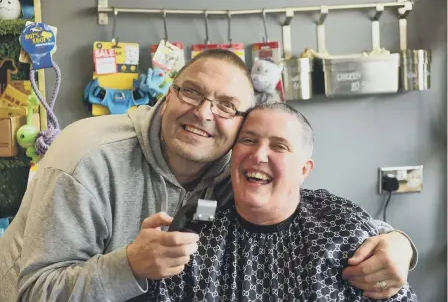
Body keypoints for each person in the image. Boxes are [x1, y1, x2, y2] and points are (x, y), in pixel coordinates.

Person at [0, 49, 416, 302]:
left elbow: (329, 216)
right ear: (168, 94)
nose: (203, 113)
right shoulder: (84, 159)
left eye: (225, 106)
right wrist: (130, 265)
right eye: (192, 92)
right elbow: (33, 293)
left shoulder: (230, 164)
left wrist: (401, 245)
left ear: (236, 126)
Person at [142, 102, 417, 302]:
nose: (259, 155)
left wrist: (401, 243)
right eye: (248, 140)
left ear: (304, 170)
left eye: (279, 146)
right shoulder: (195, 235)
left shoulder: (342, 227)